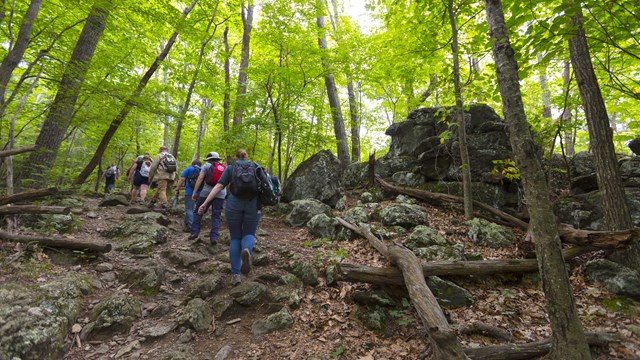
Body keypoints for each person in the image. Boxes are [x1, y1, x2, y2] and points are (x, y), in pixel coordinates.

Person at [199, 149, 260, 286]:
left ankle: (236, 275)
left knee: (235, 237)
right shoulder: (256, 167)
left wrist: (205, 202)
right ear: (247, 156)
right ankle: (247, 250)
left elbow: (219, 186)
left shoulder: (231, 168)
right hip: (253, 204)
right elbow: (265, 185)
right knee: (249, 233)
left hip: (234, 204)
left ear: (236, 157)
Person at [190, 152, 226, 246]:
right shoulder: (223, 167)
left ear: (208, 159)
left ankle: (194, 232)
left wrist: (194, 192)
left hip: (206, 193)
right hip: (221, 193)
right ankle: (214, 237)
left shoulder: (206, 166)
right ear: (217, 159)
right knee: (216, 215)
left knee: (198, 211)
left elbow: (200, 178)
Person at [174, 159, 202, 232]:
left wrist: (177, 189)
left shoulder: (188, 169)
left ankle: (191, 227)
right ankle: (190, 225)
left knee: (189, 209)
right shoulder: (202, 170)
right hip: (200, 193)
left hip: (189, 192)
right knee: (197, 210)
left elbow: (182, 179)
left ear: (192, 164)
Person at [148, 146, 177, 210]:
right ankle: (152, 202)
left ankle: (164, 204)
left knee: (162, 189)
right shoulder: (172, 156)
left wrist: (151, 175)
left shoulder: (159, 155)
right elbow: (175, 167)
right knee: (160, 188)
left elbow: (153, 166)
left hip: (162, 175)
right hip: (171, 176)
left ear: (160, 150)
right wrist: (174, 177)